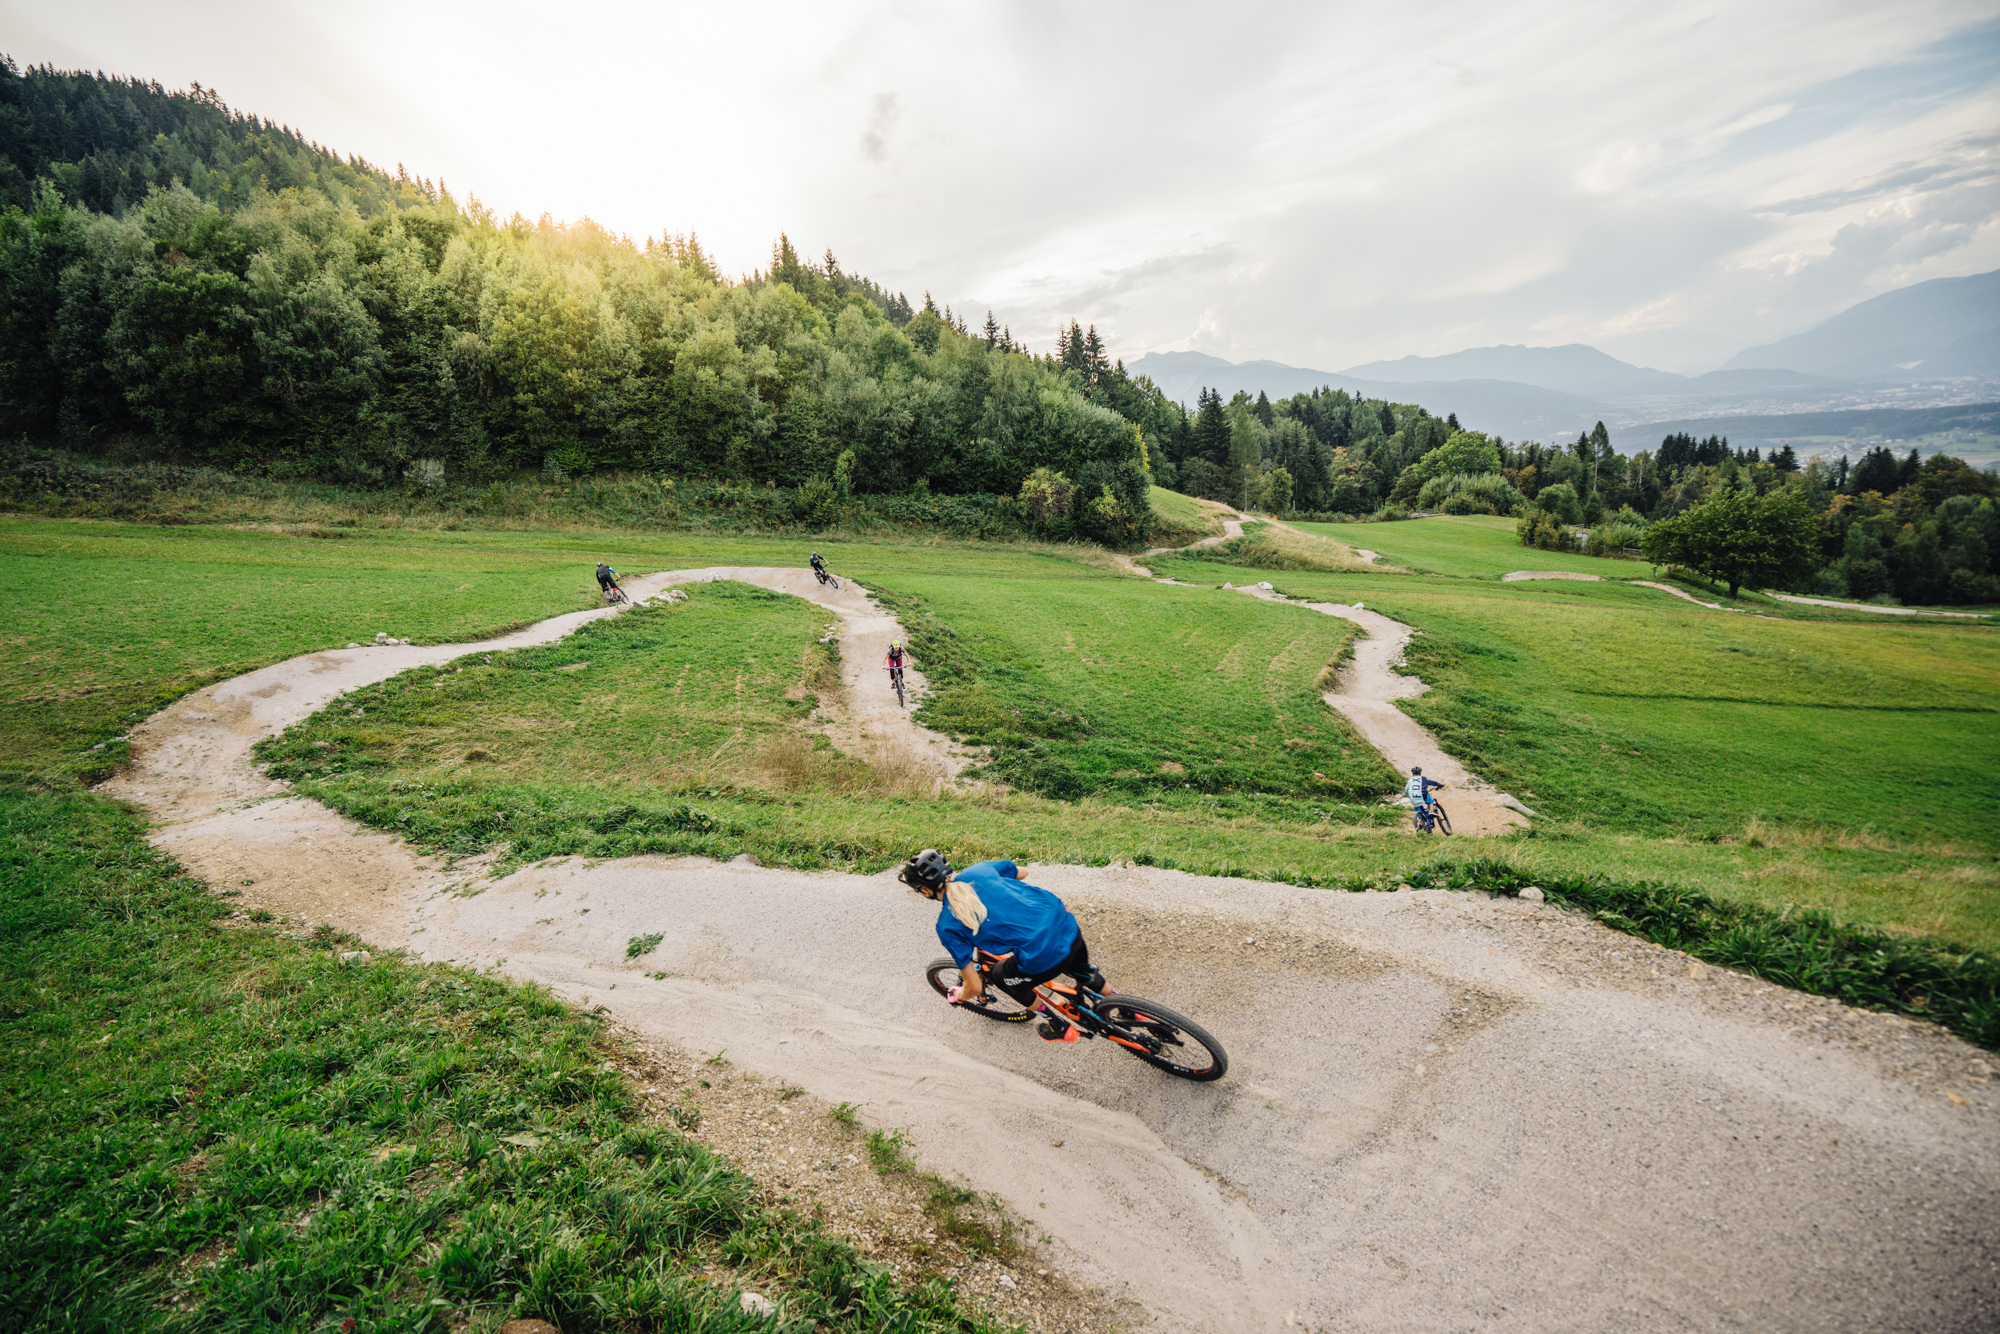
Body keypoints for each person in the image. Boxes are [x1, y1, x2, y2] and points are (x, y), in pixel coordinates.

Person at [900, 849, 1095, 1043]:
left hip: (1043, 952)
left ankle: (1058, 1025)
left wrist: (960, 994)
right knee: (1084, 972)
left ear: (925, 891)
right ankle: (1116, 1004)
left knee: (1001, 977)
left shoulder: (947, 926)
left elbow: (974, 987)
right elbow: (1023, 872)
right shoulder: (978, 871)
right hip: (1065, 921)